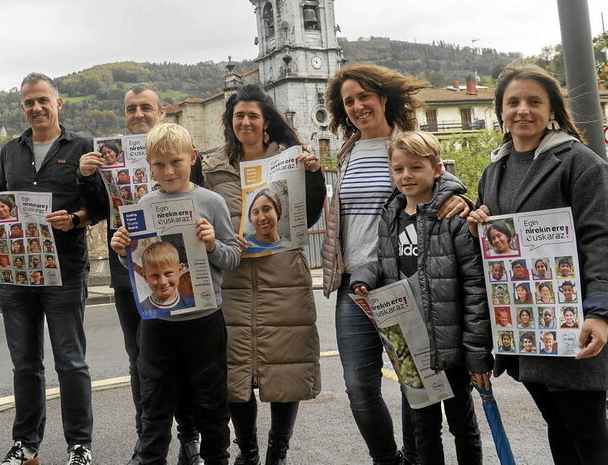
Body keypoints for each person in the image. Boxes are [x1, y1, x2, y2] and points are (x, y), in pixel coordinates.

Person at [320, 64, 468, 465]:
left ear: (383, 98)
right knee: (358, 385)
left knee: (412, 383)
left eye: (364, 96)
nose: (357, 106)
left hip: (403, 279)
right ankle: (388, 459)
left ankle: (418, 458)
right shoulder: (347, 152)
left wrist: (461, 196)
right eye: (348, 101)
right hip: (355, 282)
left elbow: (440, 177)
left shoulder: (405, 141)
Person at [468, 63, 608, 464]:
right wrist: (478, 222)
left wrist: (600, 313)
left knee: (588, 438)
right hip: (526, 326)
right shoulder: (495, 169)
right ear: (500, 111)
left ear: (552, 110)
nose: (522, 110)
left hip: (573, 320)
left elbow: (601, 240)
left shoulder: (580, 163)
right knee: (559, 428)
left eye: (534, 101)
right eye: (513, 102)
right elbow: (495, 241)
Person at [77, 82, 204, 465]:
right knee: (140, 359)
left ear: (161, 112)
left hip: (178, 270)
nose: (138, 114)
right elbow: (99, 211)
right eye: (131, 108)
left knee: (184, 357)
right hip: (128, 272)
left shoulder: (179, 151)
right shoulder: (108, 158)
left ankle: (190, 437)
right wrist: (86, 177)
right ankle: (148, 438)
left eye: (146, 107)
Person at [351, 131, 492, 465]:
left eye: (415, 167)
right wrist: (364, 277)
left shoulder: (454, 216)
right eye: (398, 169)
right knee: (422, 429)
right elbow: (386, 263)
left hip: (451, 345)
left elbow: (474, 286)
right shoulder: (391, 216)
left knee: (463, 426)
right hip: (408, 345)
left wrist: (476, 352)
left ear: (437, 168)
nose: (406, 176)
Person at [202, 84, 326, 465]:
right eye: (239, 115)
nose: (246, 121)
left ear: (266, 121)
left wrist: (315, 175)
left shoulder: (289, 159)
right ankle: (248, 452)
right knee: (236, 372)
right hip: (233, 277)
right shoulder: (212, 166)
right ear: (230, 122)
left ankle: (278, 450)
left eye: (253, 115)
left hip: (283, 276)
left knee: (285, 365)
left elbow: (311, 213)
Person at [0, 72, 97, 465]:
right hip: (16, 272)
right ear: (23, 107)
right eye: (29, 102)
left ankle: (79, 445)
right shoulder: (10, 150)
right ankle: (25, 444)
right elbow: (0, 201)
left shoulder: (82, 147)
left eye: (43, 100)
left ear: (58, 103)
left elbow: (98, 206)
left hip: (64, 270)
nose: (36, 108)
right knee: (25, 364)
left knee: (71, 362)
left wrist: (76, 219)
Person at [110, 123, 240, 465]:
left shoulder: (211, 202)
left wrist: (212, 244)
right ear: (149, 166)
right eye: (159, 165)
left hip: (204, 323)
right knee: (154, 409)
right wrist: (121, 248)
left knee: (212, 408)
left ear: (192, 158)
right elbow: (138, 267)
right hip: (157, 325)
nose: (168, 171)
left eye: (176, 162)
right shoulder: (144, 205)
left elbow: (232, 258)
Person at [138, 240, 195, 314]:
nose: (163, 282)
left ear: (180, 270)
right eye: (155, 275)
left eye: (168, 273)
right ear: (145, 276)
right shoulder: (141, 310)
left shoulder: (192, 304)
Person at [242, 187, 290, 255]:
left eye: (266, 209)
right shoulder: (243, 246)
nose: (262, 218)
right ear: (250, 218)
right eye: (255, 212)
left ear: (277, 211)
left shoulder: (289, 246)